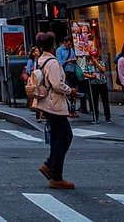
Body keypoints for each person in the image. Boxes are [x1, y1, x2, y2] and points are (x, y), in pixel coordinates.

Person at [35, 31, 76, 190]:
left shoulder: (41, 60)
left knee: (56, 136)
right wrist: (69, 90)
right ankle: (55, 173)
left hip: (46, 103)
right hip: (54, 103)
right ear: (53, 45)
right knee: (66, 136)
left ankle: (50, 166)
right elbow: (57, 84)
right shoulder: (52, 61)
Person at [84, 48, 111, 124]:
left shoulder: (101, 63)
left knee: (105, 100)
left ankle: (108, 117)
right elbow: (84, 73)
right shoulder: (88, 65)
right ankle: (96, 117)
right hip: (93, 84)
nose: (95, 58)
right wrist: (90, 76)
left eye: (96, 56)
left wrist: (96, 63)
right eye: (93, 56)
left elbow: (103, 70)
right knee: (94, 102)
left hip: (102, 83)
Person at [57, 37, 79, 116]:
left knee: (73, 91)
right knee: (67, 91)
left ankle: (73, 109)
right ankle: (68, 109)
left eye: (70, 44)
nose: (69, 46)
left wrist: (74, 60)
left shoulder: (71, 50)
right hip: (65, 73)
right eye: (68, 44)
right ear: (64, 43)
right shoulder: (59, 50)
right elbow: (59, 62)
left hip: (72, 72)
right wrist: (68, 61)